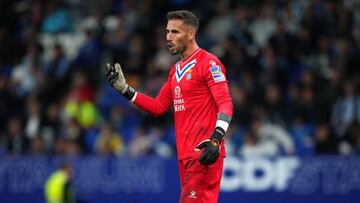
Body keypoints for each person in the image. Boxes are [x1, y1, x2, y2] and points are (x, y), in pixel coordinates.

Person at [106, 10, 233, 203]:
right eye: (167, 32)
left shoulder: (209, 63)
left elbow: (225, 103)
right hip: (185, 157)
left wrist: (216, 139)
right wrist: (125, 89)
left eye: (175, 32)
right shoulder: (176, 71)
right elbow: (158, 106)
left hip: (204, 153)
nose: (168, 37)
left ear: (190, 34)